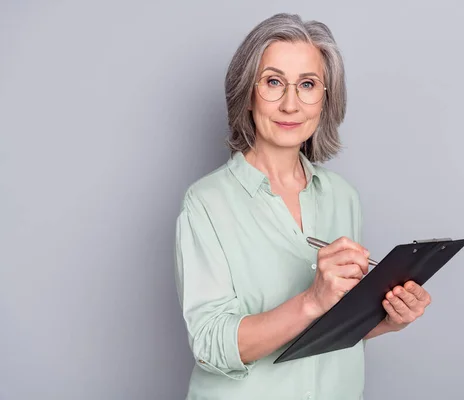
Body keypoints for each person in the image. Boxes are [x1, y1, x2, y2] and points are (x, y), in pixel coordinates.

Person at [174, 13, 431, 400]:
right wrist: (312, 299)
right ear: (247, 92)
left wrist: (389, 319)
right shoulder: (205, 203)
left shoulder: (343, 197)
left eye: (308, 84)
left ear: (326, 98)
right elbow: (211, 346)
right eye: (274, 82)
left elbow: (335, 329)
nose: (290, 104)